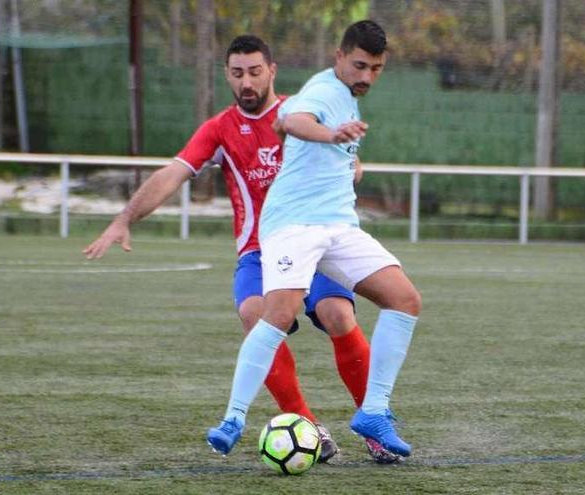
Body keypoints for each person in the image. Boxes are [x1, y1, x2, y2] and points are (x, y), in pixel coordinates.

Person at [83, 35, 399, 464]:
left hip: (316, 237)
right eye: (237, 74)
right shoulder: (220, 129)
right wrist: (124, 219)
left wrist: (344, 161)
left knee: (337, 313)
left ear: (272, 71)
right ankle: (308, 427)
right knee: (254, 315)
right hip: (259, 250)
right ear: (227, 76)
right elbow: (173, 173)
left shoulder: (302, 108)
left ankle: (375, 425)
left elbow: (350, 158)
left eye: (254, 72)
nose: (246, 82)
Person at [206, 20, 422, 459]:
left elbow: (316, 144)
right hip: (294, 225)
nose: (366, 76)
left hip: (338, 226)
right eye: (359, 65)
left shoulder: (347, 98)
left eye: (376, 69)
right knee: (277, 314)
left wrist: (347, 157)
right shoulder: (323, 91)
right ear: (339, 58)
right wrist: (330, 134)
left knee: (405, 299)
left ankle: (374, 411)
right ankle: (233, 417)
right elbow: (294, 119)